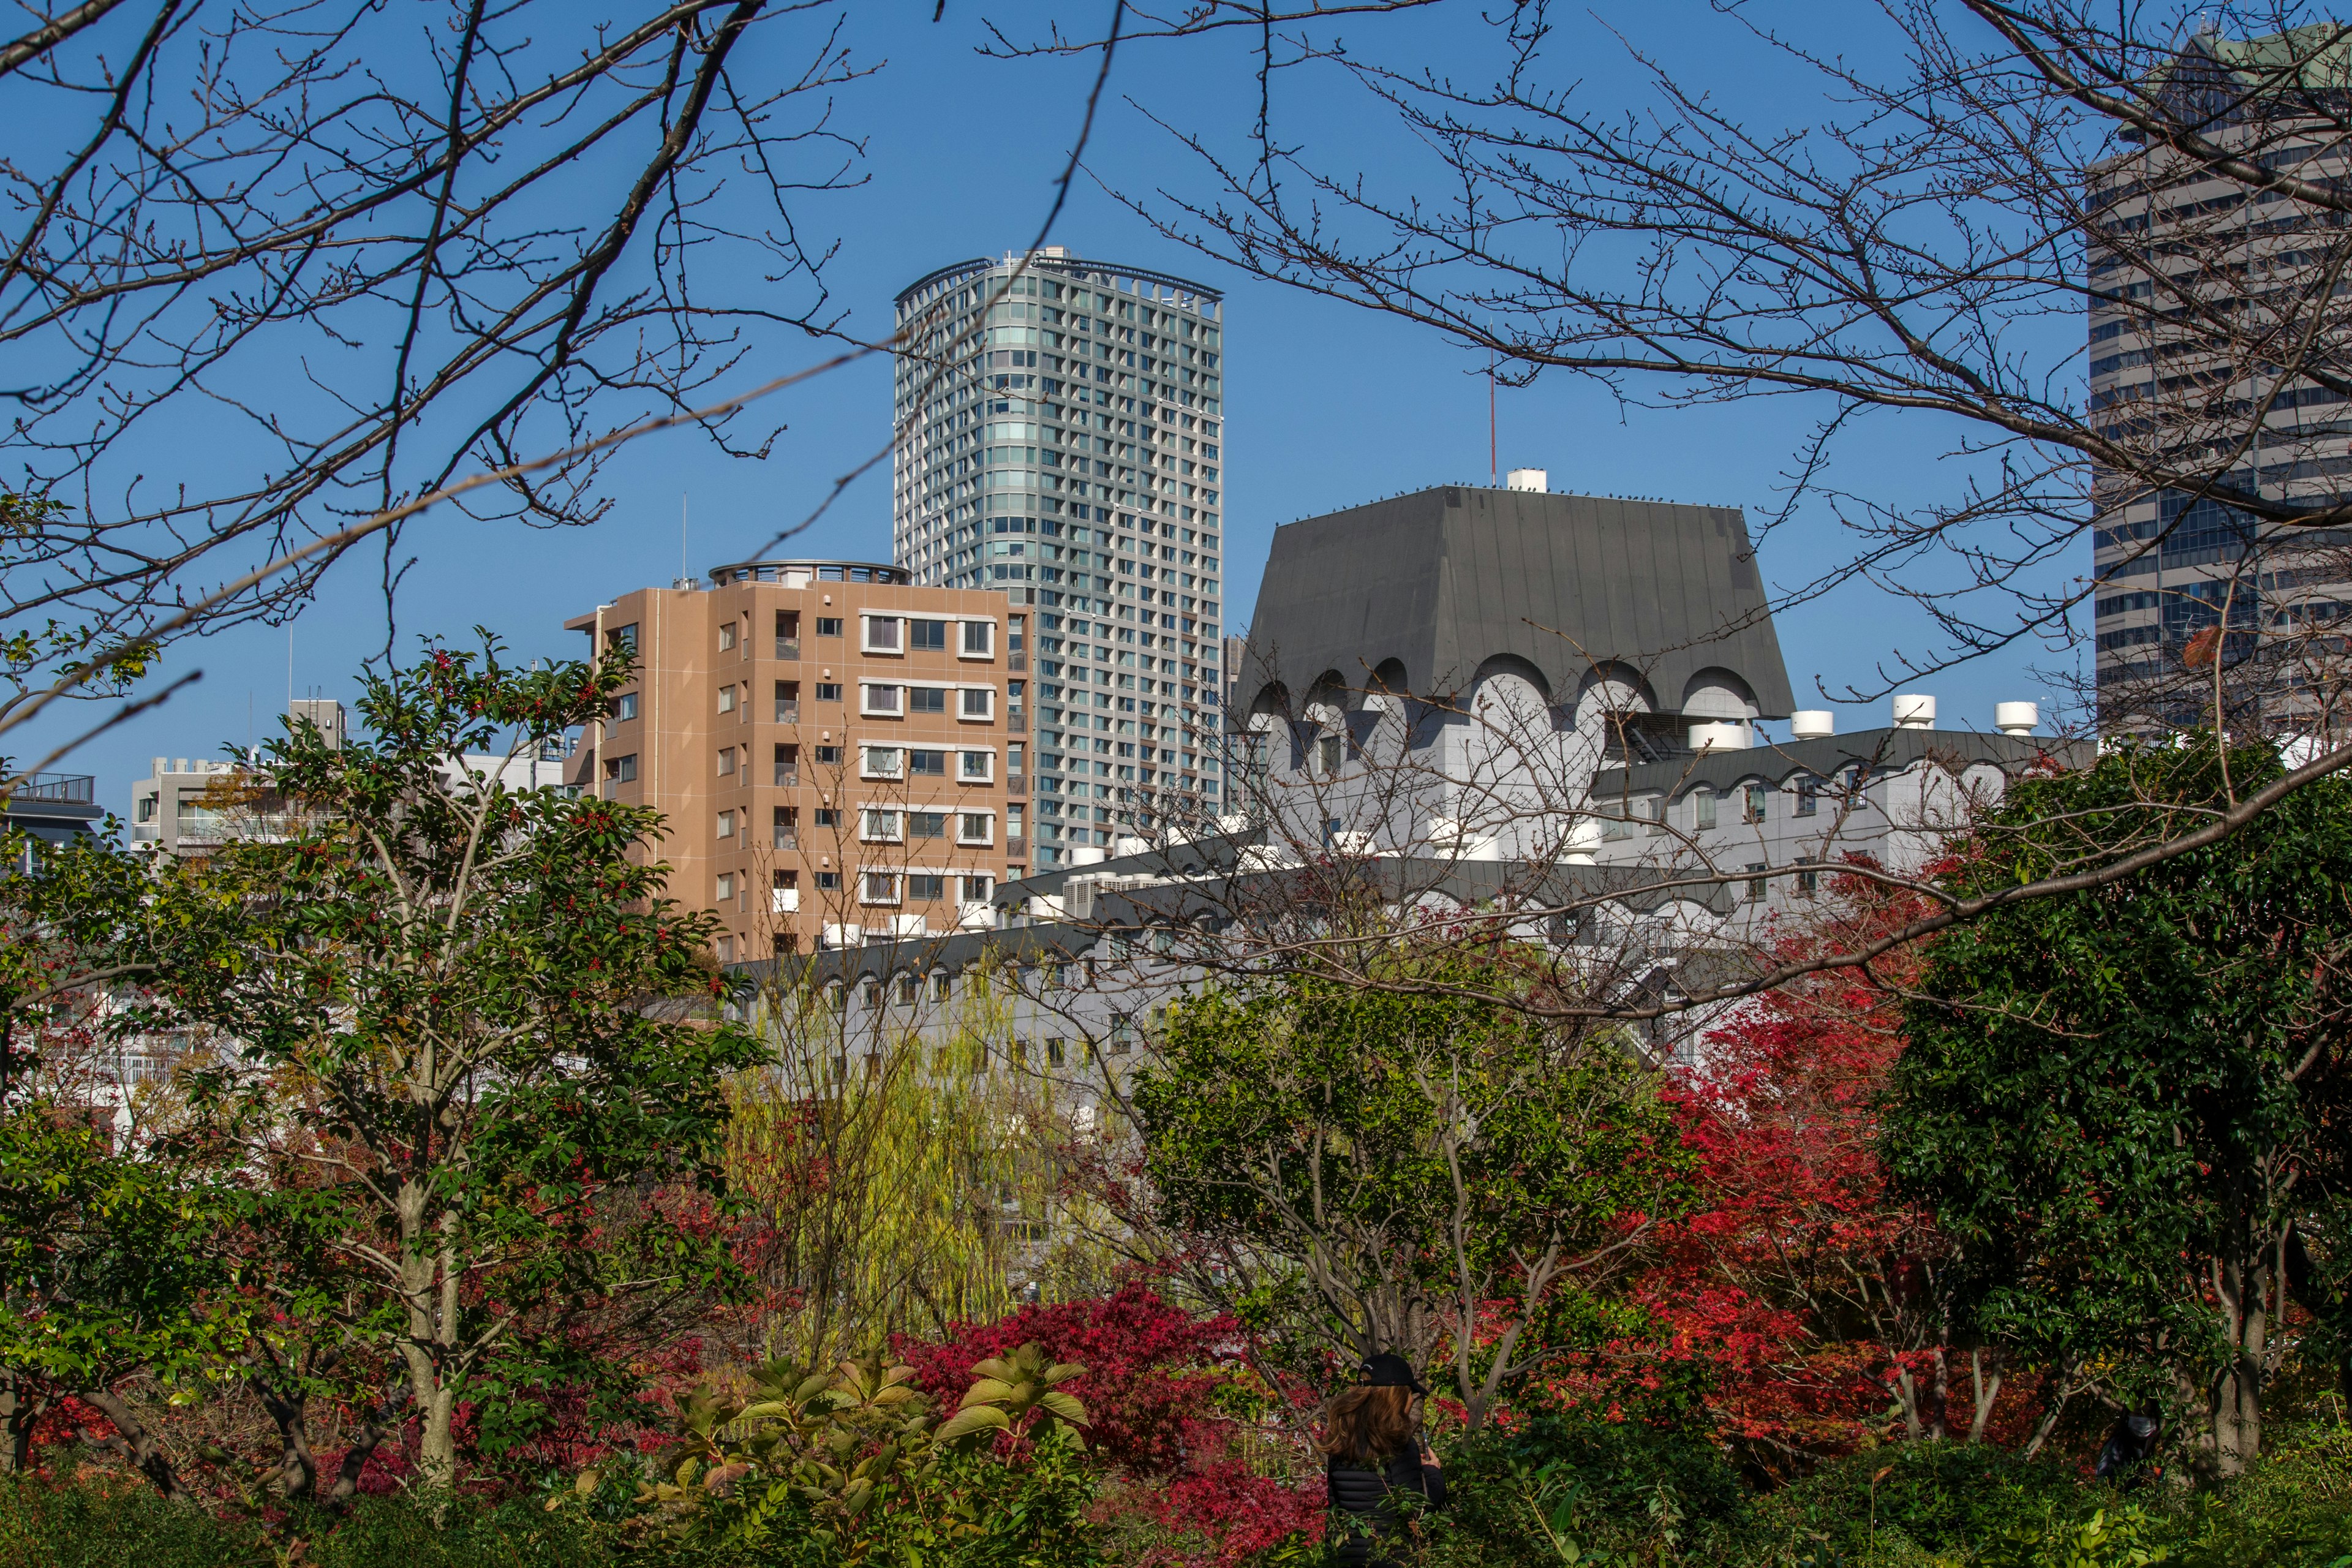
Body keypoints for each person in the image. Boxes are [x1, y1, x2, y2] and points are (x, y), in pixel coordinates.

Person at [1319, 1352, 1448, 1566]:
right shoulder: (1398, 1445)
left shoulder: (1341, 1442)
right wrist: (1433, 1472)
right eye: (1409, 1394)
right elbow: (1418, 1512)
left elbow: (1334, 1517)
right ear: (1396, 1397)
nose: (1410, 1401)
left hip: (1348, 1560)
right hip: (1392, 1559)